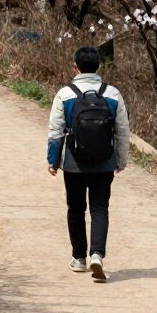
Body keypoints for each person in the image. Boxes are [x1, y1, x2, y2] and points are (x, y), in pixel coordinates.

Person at [46, 45, 130, 282]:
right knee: (99, 208)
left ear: (75, 67)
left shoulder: (65, 93)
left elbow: (55, 131)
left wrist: (53, 160)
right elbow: (122, 132)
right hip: (104, 162)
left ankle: (79, 258)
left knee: (75, 209)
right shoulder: (112, 93)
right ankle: (97, 254)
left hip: (74, 162)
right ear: (98, 67)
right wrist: (120, 161)